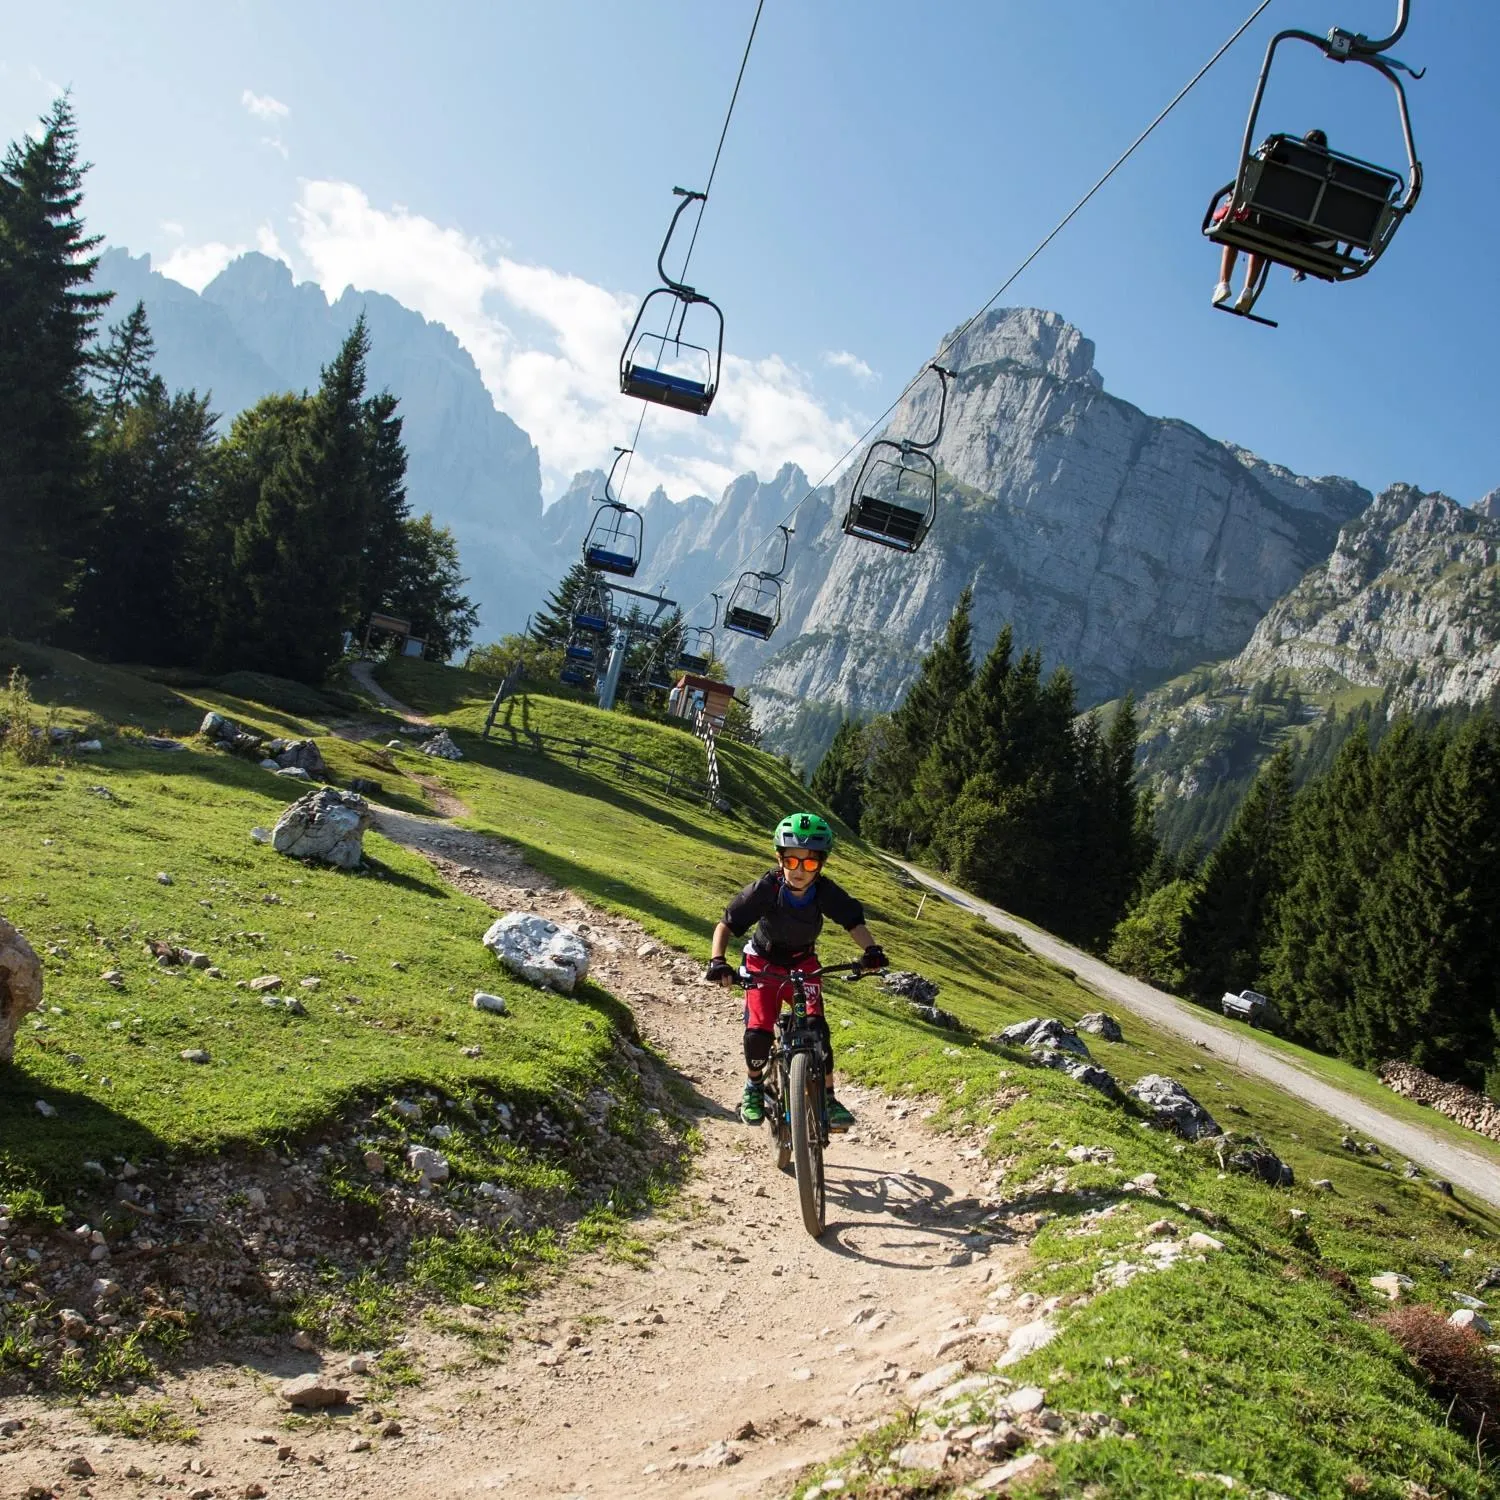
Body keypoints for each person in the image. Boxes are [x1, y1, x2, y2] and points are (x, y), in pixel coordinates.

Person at [705, 811, 887, 1131]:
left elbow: (853, 922)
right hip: (762, 963)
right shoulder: (766, 888)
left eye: (810, 863)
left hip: (804, 964)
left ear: (822, 864)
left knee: (817, 1029)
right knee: (758, 1033)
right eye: (792, 861)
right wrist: (717, 961)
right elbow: (727, 924)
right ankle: (754, 1086)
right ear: (779, 858)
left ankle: (828, 1097)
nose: (800, 870)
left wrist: (871, 951)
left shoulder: (825, 891)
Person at [1212, 128, 1330, 312]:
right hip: (1290, 228)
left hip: (1263, 216)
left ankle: (1224, 283)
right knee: (1263, 237)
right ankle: (1248, 289)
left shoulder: (1287, 156)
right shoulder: (1327, 172)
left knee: (1233, 225)